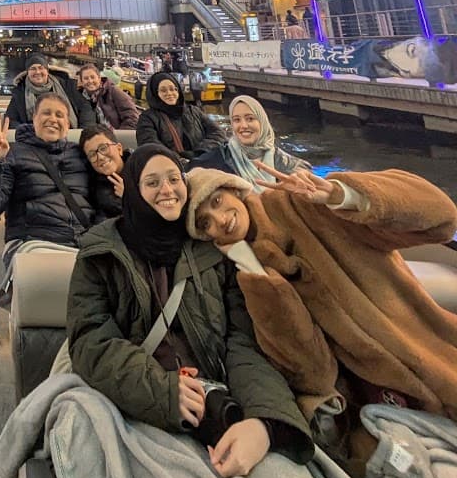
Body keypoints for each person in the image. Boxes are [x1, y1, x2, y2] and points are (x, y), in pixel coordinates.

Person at [65, 145, 399, 478]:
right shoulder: (100, 254)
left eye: (173, 179)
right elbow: (91, 341)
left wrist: (264, 423)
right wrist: (160, 391)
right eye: (152, 182)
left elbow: (242, 342)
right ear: (134, 190)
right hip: (144, 406)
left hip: (222, 401)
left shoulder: (213, 252)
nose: (166, 190)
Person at [187, 163, 457, 443]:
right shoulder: (247, 278)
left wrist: (342, 196)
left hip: (436, 353)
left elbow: (442, 217)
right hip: (379, 405)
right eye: (205, 223)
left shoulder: (303, 203)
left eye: (217, 201)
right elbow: (314, 375)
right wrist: (253, 270)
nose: (219, 219)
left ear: (234, 189)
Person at [0, 101, 102, 292]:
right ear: (34, 119)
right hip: (36, 239)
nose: (53, 119)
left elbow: (102, 200)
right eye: (46, 113)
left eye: (60, 115)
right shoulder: (14, 153)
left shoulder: (80, 154)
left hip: (86, 242)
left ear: (68, 125)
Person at [190, 95, 310, 187]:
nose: (243, 125)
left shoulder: (290, 166)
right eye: (237, 120)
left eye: (250, 119)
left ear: (262, 122)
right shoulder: (216, 159)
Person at [135, 71, 220, 160]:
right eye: (163, 90)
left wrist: (200, 151)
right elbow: (151, 146)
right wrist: (180, 159)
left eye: (173, 89)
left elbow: (217, 133)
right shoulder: (147, 118)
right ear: (155, 94)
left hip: (202, 161)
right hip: (172, 167)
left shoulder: (193, 111)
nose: (169, 93)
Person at [5, 53, 96, 129]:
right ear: (27, 72)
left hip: (67, 135)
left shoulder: (66, 86)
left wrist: (84, 131)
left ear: (47, 70)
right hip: (35, 139)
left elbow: (85, 107)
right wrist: (29, 132)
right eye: (33, 68)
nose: (37, 72)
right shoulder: (20, 92)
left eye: (41, 68)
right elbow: (10, 120)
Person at [78, 127, 126, 219]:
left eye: (103, 148)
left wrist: (129, 196)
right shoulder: (94, 188)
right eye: (92, 154)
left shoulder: (142, 169)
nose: (100, 157)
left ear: (119, 149)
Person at [76, 64, 139, 134]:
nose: (90, 81)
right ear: (81, 81)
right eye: (86, 78)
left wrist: (120, 135)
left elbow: (132, 116)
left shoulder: (113, 91)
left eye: (93, 77)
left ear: (99, 78)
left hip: (116, 134)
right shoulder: (80, 97)